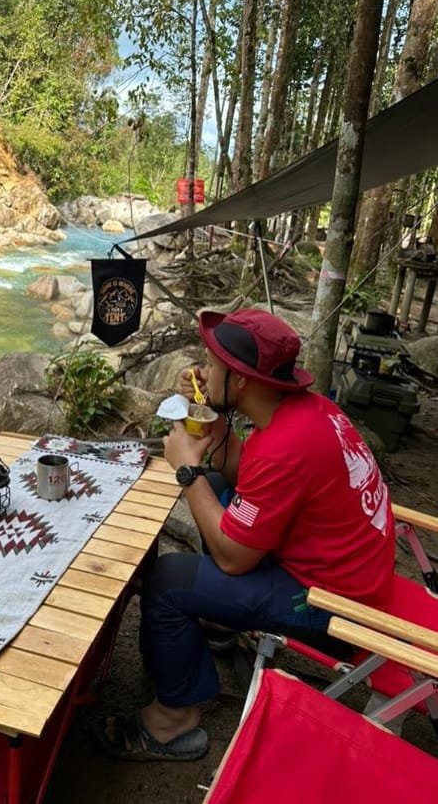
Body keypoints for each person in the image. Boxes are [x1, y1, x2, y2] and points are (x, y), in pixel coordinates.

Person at [93, 307, 395, 762]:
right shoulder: (305, 411)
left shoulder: (286, 447)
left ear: (243, 381)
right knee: (217, 489)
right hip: (344, 566)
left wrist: (186, 471)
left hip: (332, 607)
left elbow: (235, 558)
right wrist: (210, 415)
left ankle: (173, 721)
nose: (203, 369)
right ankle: (218, 622)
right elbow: (240, 470)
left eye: (214, 365)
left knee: (168, 580)